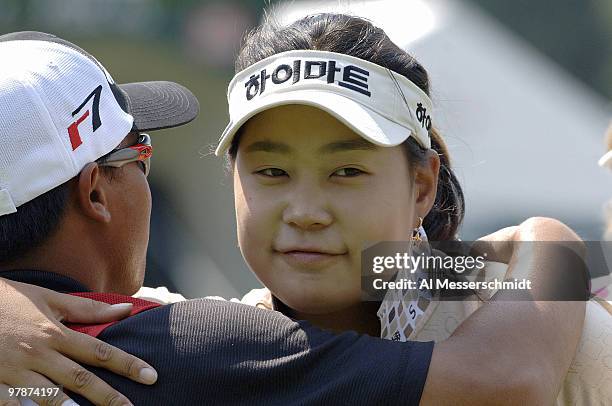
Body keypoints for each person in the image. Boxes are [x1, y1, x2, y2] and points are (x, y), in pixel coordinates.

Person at [0, 24, 586, 406]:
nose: (304, 212)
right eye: (271, 172)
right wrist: (554, 242)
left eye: (347, 171)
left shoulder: (579, 339)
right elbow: (508, 377)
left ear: (423, 184)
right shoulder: (197, 337)